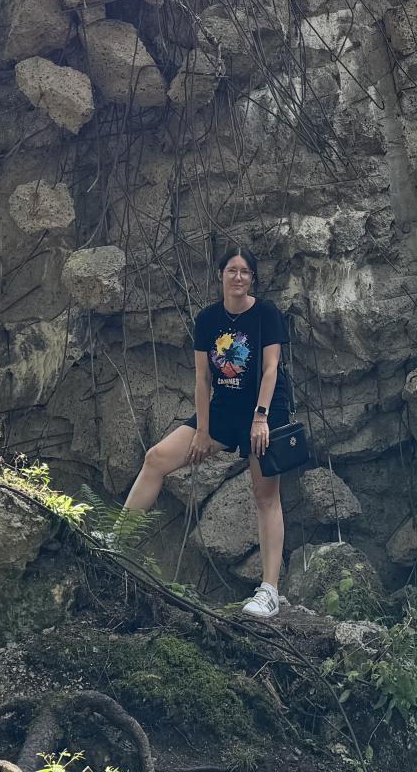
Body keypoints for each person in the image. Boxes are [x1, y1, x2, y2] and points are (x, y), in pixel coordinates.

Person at [121, 246, 293, 618]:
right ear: (221, 275)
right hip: (223, 411)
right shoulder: (208, 319)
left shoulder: (266, 314)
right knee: (156, 459)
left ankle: (269, 591)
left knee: (266, 497)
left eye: (245, 272)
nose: (238, 277)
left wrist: (261, 418)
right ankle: (116, 541)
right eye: (232, 270)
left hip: (265, 412)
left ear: (252, 278)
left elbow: (270, 368)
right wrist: (201, 430)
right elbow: (201, 378)